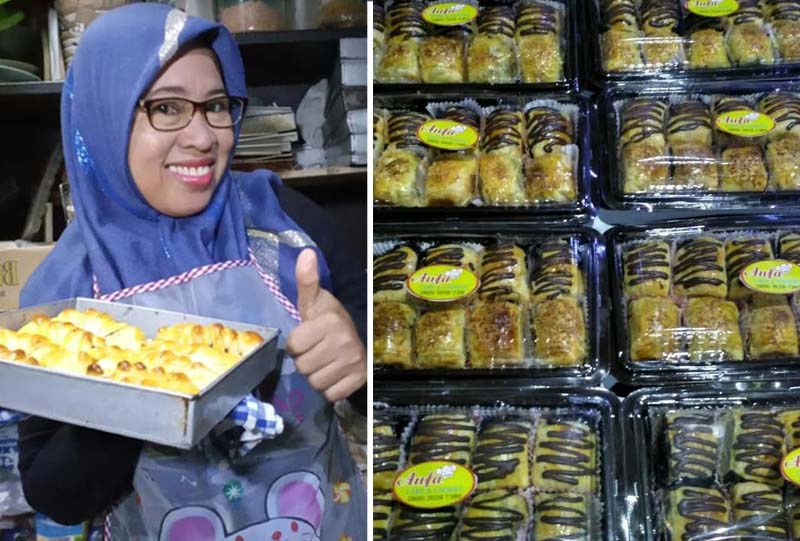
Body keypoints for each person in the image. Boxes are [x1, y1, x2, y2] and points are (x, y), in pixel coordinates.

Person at [14, 3, 366, 539]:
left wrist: (361, 354)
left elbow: (385, 387)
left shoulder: (289, 225)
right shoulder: (67, 303)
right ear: (104, 117)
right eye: (167, 107)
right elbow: (53, 497)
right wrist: (137, 394)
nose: (203, 136)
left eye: (216, 105)